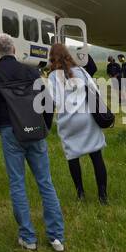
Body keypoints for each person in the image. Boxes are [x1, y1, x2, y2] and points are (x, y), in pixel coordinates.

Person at [0, 34, 66, 252]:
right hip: (35, 129)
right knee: (45, 182)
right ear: (14, 49)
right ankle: (56, 236)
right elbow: (47, 102)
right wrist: (45, 126)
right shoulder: (31, 71)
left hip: (10, 130)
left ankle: (28, 236)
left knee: (17, 184)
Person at [46, 41, 109, 204]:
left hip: (68, 122)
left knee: (72, 157)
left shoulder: (53, 77)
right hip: (87, 118)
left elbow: (53, 101)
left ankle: (80, 193)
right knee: (96, 156)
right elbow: (95, 91)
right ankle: (103, 196)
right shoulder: (81, 70)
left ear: (52, 58)